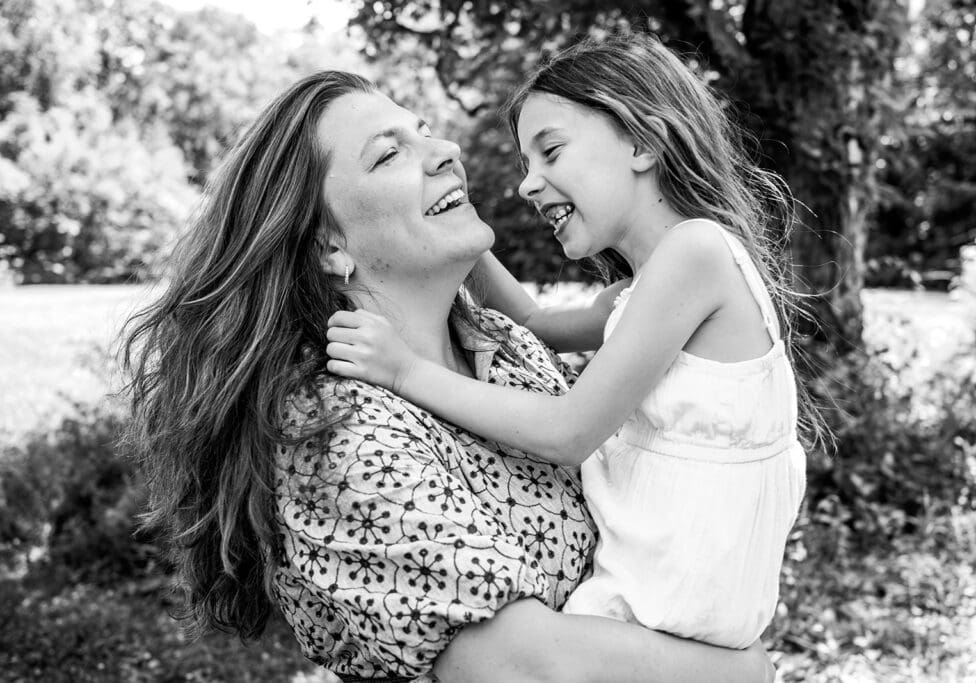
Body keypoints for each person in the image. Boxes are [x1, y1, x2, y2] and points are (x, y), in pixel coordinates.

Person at [121, 69, 775, 682]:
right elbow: (529, 670)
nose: (447, 150)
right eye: (388, 154)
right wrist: (746, 671)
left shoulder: (503, 350)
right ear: (328, 246)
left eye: (427, 131)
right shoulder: (339, 436)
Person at [325, 33, 814, 651]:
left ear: (641, 142)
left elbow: (567, 432)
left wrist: (404, 373)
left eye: (550, 152)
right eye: (528, 164)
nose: (530, 184)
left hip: (662, 601)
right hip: (657, 597)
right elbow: (533, 323)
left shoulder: (698, 253)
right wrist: (458, 227)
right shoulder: (643, 289)